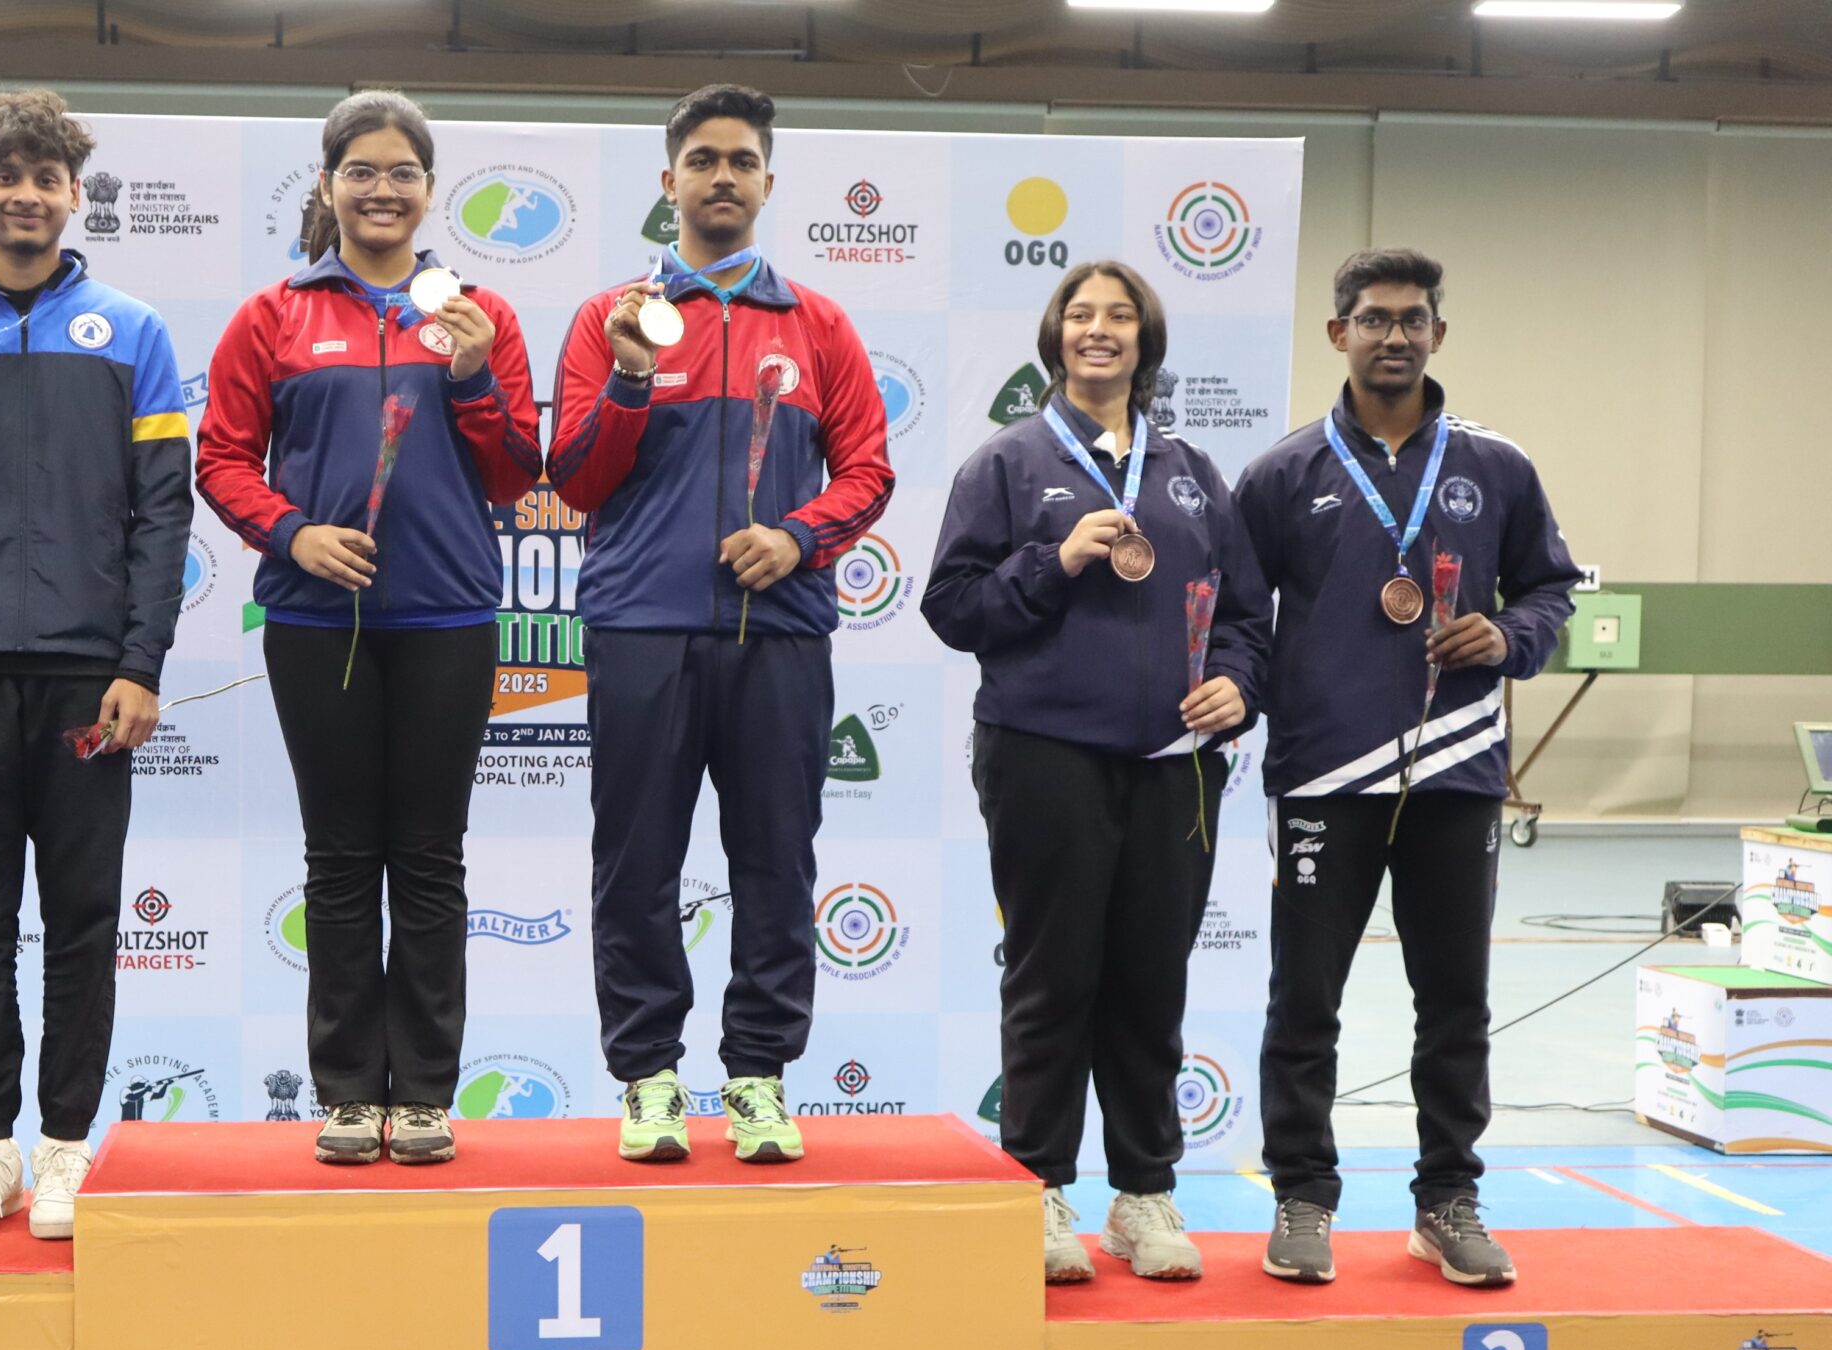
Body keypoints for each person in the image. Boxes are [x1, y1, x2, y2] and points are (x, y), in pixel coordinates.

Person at [549, 84, 894, 1164]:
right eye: (701, 160)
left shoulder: (820, 325)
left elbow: (870, 471)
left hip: (778, 632)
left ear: (767, 183)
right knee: (636, 862)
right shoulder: (611, 318)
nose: (721, 177)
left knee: (775, 863)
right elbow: (577, 477)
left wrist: (797, 536)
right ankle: (648, 1078)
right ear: (668, 184)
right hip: (640, 629)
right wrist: (629, 380)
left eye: (741, 161)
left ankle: (756, 1078)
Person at [198, 91, 542, 1166]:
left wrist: (474, 374)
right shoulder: (274, 315)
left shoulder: (479, 313)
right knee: (341, 859)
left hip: (446, 616)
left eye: (402, 173)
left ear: (430, 191)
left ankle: (426, 1092)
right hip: (313, 622)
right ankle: (349, 1092)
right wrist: (292, 535)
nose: (381, 190)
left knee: (430, 860)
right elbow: (218, 458)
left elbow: (516, 469)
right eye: (361, 171)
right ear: (328, 184)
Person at [0, 90, 194, 1241]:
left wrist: (141, 663)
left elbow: (164, 518)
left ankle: (65, 1148)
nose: (23, 194)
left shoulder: (134, 332)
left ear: (72, 194)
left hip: (84, 675)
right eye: (3, 175)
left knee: (78, 918)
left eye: (44, 176)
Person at [1236, 249, 1580, 1287]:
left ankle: (1445, 1200)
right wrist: (1232, 702)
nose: (1394, 334)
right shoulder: (1281, 475)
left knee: (1454, 1001)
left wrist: (1508, 638)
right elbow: (1243, 627)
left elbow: (1551, 594)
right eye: (1374, 318)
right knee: (1304, 1000)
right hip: (1323, 780)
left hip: (1456, 772)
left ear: (1438, 335)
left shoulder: (1497, 467)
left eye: (1413, 319)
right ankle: (1301, 1195)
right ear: (1336, 334)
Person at [923, 261, 1269, 1284]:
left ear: (1144, 340)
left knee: (1149, 983)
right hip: (1043, 755)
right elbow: (951, 608)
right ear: (1054, 335)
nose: (1099, 331)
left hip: (1173, 769)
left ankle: (1143, 1196)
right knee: (1051, 977)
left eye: (1119, 316)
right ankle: (1035, 1190)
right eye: (1081, 315)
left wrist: (1239, 689)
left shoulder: (1190, 470)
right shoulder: (1009, 464)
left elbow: (1246, 616)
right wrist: (1055, 559)